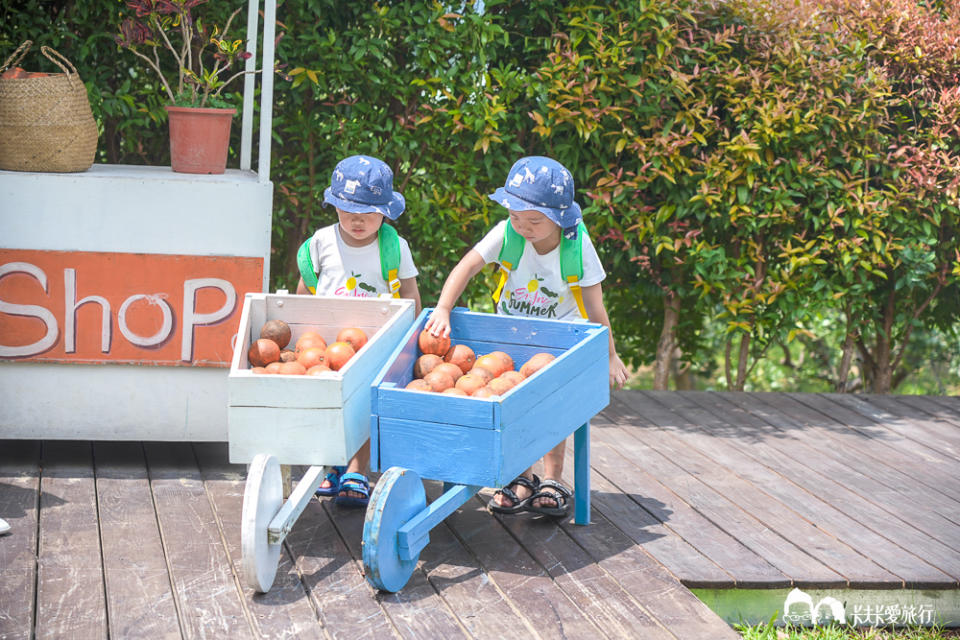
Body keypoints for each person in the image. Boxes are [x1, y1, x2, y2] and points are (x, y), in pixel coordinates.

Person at [425, 155, 628, 517]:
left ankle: (552, 479)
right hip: (511, 336)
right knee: (510, 404)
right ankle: (521, 478)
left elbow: (597, 309)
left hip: (560, 337)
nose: (523, 227)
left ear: (560, 217)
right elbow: (466, 267)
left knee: (554, 409)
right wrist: (442, 308)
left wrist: (610, 354)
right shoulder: (508, 233)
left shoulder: (576, 246)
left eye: (534, 220)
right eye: (516, 217)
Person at [297, 154, 422, 507]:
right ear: (333, 206)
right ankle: (329, 464)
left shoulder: (394, 247)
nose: (357, 219)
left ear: (385, 211)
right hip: (327, 343)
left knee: (366, 406)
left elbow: (410, 292)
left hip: (375, 343)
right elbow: (305, 290)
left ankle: (357, 468)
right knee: (326, 403)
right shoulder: (321, 242)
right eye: (347, 210)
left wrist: (410, 337)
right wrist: (303, 338)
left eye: (367, 213)